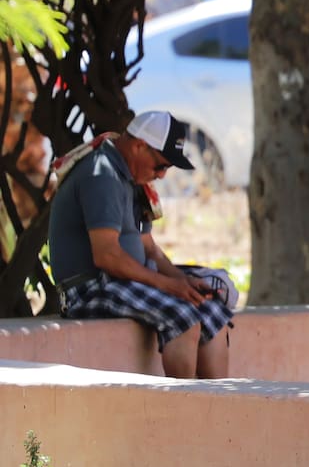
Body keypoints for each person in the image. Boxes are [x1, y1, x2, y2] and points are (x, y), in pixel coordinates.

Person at [48, 111, 235, 379]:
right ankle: (186, 409)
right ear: (139, 146)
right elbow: (107, 256)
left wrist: (183, 281)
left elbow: (150, 249)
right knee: (183, 317)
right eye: (161, 166)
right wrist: (169, 285)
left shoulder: (131, 176)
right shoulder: (102, 175)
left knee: (212, 309)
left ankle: (221, 408)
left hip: (121, 280)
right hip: (90, 288)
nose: (161, 175)